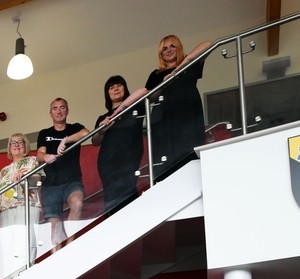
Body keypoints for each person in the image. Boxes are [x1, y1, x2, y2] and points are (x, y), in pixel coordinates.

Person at [144, 35, 212, 176]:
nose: (169, 50)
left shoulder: (189, 64)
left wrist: (183, 63)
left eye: (172, 46)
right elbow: (149, 97)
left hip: (189, 114)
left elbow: (209, 43)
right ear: (160, 54)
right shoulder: (156, 74)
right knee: (166, 156)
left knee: (190, 150)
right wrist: (164, 82)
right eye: (164, 48)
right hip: (164, 119)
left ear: (179, 48)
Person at [37, 98, 90, 249]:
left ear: (67, 111)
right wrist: (45, 157)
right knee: (53, 227)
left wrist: (65, 140)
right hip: (50, 184)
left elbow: (86, 133)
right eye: (55, 108)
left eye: (62, 108)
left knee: (77, 203)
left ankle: (70, 245)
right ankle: (58, 259)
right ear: (50, 113)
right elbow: (39, 154)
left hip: (72, 180)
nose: (59, 111)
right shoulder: (45, 133)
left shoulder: (74, 128)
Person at [91, 76, 146, 211]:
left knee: (129, 191)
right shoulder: (103, 118)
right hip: (108, 161)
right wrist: (102, 130)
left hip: (130, 157)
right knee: (111, 196)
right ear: (107, 94)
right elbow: (95, 141)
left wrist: (120, 108)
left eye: (119, 85)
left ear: (125, 88)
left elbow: (144, 91)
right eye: (111, 87)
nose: (116, 88)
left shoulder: (135, 106)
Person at [0, 134, 43, 267]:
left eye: (20, 142)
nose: (16, 145)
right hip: (5, 211)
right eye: (13, 143)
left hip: (26, 205)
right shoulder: (4, 171)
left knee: (25, 242)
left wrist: (25, 176)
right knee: (9, 248)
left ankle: (25, 274)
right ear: (9, 148)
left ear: (25, 146)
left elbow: (38, 180)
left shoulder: (32, 161)